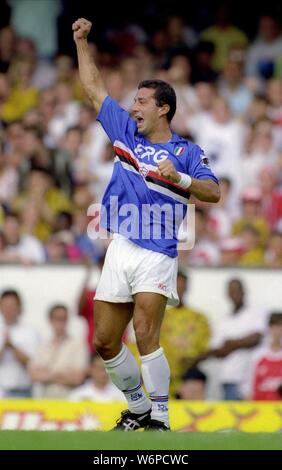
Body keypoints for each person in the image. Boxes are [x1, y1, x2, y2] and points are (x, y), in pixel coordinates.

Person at [72, 18, 220, 431]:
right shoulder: (126, 135)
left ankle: (160, 417)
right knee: (103, 340)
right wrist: (81, 42)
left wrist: (181, 179)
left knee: (144, 333)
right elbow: (92, 89)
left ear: (163, 108)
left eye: (141, 101)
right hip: (120, 245)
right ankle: (138, 408)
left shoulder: (186, 150)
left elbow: (213, 193)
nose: (132, 107)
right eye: (133, 101)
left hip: (157, 251)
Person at [29, 304, 89, 398]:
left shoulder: (78, 344)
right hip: (46, 400)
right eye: (57, 318)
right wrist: (61, 374)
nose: (61, 322)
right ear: (50, 320)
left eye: (63, 318)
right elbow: (33, 375)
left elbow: (78, 378)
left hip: (70, 400)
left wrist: (47, 373)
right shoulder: (43, 345)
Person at [0, 289, 40, 397]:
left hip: (22, 390)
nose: (9, 310)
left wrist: (12, 346)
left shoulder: (30, 332)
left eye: (12, 306)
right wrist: (4, 347)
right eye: (5, 306)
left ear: (19, 307)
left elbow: (32, 362)